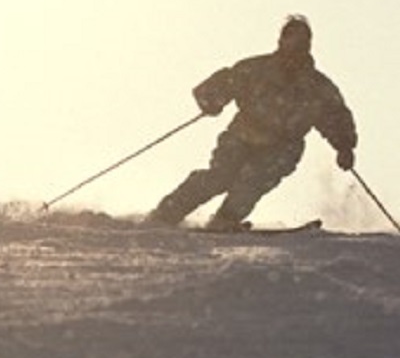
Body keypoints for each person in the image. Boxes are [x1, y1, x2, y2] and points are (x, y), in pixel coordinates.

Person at [145, 14, 358, 230]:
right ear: (282, 41)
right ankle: (167, 213)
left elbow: (336, 116)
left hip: (282, 147)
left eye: (303, 44)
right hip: (243, 135)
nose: (297, 50)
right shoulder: (256, 69)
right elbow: (221, 83)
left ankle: (226, 219)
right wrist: (210, 100)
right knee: (221, 176)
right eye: (293, 42)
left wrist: (344, 146)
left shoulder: (317, 87)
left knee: (254, 180)